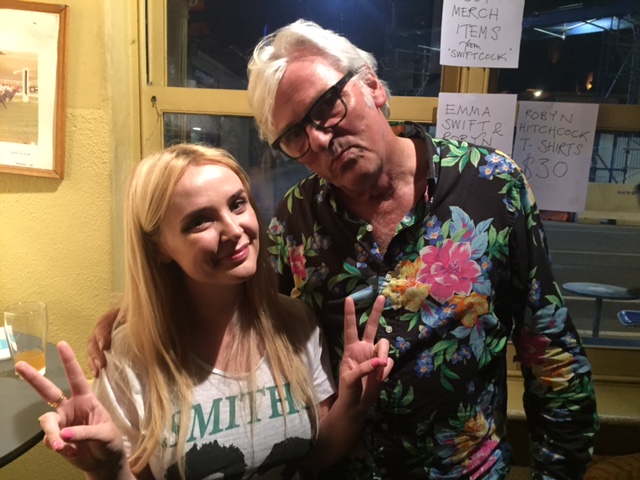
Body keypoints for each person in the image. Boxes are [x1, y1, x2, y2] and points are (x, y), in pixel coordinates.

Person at [89, 20, 599, 479]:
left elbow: (549, 348)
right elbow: (241, 300)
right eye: (295, 135)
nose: (318, 139)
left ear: (372, 86)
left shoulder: (491, 184)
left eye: (326, 106)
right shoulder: (295, 219)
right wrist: (141, 308)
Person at [18, 144, 393, 480]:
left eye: (237, 204)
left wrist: (353, 403)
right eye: (200, 221)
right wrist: (106, 467)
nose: (234, 229)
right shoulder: (128, 356)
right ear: (160, 248)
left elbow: (317, 457)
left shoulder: (296, 323)